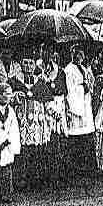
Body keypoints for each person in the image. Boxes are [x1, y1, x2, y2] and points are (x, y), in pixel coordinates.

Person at [11, 53, 53, 189]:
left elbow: (47, 103)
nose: (28, 66)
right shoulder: (13, 81)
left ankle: (36, 179)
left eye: (31, 63)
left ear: (35, 66)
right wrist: (15, 96)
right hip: (21, 122)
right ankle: (21, 180)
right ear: (20, 64)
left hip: (37, 123)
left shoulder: (40, 83)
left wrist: (53, 115)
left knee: (36, 150)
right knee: (22, 150)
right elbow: (7, 100)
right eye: (25, 63)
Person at [36, 42, 68, 186]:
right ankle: (43, 175)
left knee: (57, 139)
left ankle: (57, 174)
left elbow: (63, 90)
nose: (47, 54)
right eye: (44, 51)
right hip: (42, 109)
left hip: (56, 107)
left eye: (49, 51)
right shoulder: (36, 69)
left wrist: (50, 85)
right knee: (43, 140)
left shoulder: (59, 71)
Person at [64, 45, 96, 180]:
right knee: (76, 137)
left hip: (85, 105)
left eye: (80, 54)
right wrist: (82, 88)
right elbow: (69, 90)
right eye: (75, 54)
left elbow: (90, 85)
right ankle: (76, 169)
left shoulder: (84, 69)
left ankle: (87, 168)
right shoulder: (68, 70)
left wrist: (88, 86)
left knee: (86, 135)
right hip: (76, 107)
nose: (78, 57)